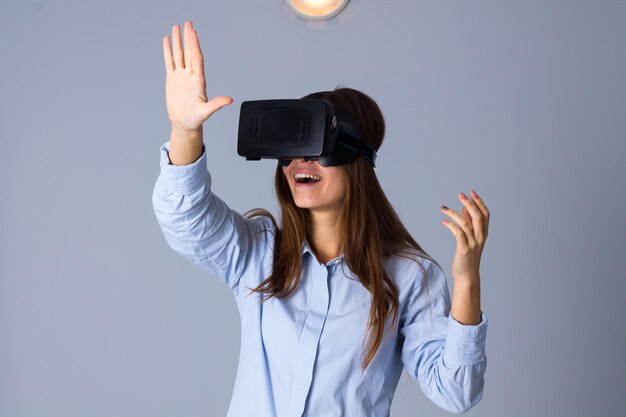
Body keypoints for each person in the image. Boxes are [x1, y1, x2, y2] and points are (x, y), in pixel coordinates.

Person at [153, 20, 490, 417]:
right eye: (292, 149)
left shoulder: (408, 276)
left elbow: (456, 392)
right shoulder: (259, 253)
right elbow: (184, 219)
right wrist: (184, 130)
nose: (300, 162)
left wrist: (467, 279)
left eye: (314, 145)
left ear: (356, 157)